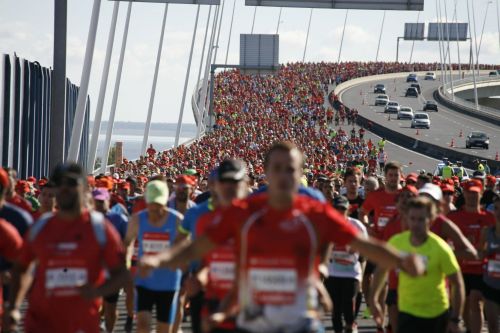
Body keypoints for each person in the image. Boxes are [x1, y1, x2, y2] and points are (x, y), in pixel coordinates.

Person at [138, 142, 424, 333]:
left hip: (301, 322)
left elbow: (363, 245)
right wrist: (159, 259)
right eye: (277, 169)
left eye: (290, 169)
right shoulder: (244, 213)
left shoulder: (315, 213)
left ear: (299, 174)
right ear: (266, 174)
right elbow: (196, 248)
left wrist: (401, 260)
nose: (284, 176)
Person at [7, 163, 130, 333]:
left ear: (84, 189)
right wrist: (14, 307)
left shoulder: (99, 228)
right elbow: (21, 268)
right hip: (40, 324)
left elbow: (122, 274)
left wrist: (97, 291)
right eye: (59, 183)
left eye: (71, 183)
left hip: (82, 324)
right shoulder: (40, 227)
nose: (64, 188)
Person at [371, 196, 465, 333]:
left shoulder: (440, 248)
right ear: (407, 219)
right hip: (407, 312)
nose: (416, 224)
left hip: (436, 314)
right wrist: (373, 300)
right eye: (412, 219)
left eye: (421, 219)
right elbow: (381, 270)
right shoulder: (397, 242)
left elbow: (457, 283)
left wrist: (455, 318)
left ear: (431, 220)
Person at [124, 180, 183, 333]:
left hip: (168, 281)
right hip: (145, 280)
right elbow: (128, 242)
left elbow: (184, 248)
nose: (155, 209)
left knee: (163, 329)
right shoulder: (137, 219)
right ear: (147, 201)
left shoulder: (177, 220)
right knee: (142, 324)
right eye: (152, 204)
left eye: (159, 204)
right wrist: (127, 262)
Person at [447, 179, 496, 333]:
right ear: (464, 194)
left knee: (476, 301)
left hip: (481, 269)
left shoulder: (489, 217)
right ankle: (469, 329)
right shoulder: (454, 217)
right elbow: (445, 243)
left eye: (475, 193)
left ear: (481, 194)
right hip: (460, 268)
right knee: (465, 304)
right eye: (469, 193)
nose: (472, 196)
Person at [359, 161, 403, 331]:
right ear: (386, 177)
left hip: (402, 248)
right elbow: (363, 212)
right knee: (383, 289)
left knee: (398, 290)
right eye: (390, 175)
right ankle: (382, 325)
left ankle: (394, 323)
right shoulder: (376, 196)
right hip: (381, 248)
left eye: (396, 175)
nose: (393, 178)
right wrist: (368, 227)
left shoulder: (407, 195)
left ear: (401, 176)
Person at [324, 196, 368, 333]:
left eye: (342, 209)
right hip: (332, 272)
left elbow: (365, 251)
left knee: (348, 308)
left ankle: (351, 324)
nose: (339, 212)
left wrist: (361, 272)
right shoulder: (326, 225)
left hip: (351, 272)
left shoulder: (357, 226)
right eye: (336, 209)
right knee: (335, 311)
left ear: (348, 210)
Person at [92, 188, 132, 333]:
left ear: (108, 201)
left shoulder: (119, 219)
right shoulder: (85, 219)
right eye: (95, 201)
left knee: (110, 307)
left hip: (112, 269)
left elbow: (128, 241)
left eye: (101, 201)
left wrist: (126, 260)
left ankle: (110, 330)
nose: (98, 204)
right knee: (91, 306)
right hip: (92, 270)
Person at [478, 194, 500, 333]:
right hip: (491, 282)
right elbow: (480, 253)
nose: (498, 212)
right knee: (492, 324)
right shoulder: (487, 231)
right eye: (496, 208)